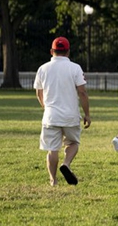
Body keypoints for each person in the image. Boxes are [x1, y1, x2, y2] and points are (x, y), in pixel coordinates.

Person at [34, 37, 92, 186]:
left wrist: (45, 107)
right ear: (68, 51)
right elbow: (82, 92)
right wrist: (87, 114)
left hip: (51, 116)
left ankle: (53, 180)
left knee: (52, 150)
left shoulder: (43, 68)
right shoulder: (75, 68)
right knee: (73, 143)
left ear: (52, 51)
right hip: (70, 115)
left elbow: (39, 92)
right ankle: (66, 164)